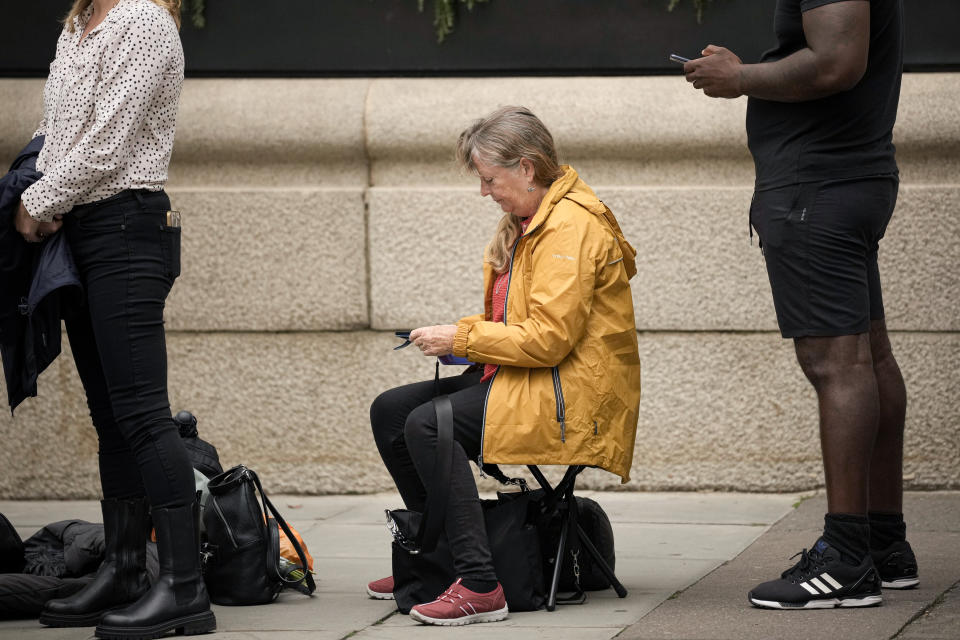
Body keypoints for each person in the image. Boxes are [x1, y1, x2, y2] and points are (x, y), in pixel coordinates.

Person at [682, 0, 916, 610]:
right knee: (870, 359)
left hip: (817, 187)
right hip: (845, 179)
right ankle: (884, 544)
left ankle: (845, 560)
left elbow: (836, 61)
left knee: (837, 365)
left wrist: (740, 79)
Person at [367, 106, 642, 625]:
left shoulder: (569, 229)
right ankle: (435, 560)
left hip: (572, 398)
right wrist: (454, 342)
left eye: (490, 179)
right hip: (534, 379)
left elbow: (549, 340)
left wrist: (465, 338)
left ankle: (479, 583)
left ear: (528, 168)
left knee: (430, 424)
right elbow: (521, 323)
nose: (484, 191)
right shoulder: (532, 221)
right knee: (391, 411)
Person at [16, 0, 216, 637]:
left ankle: (185, 588)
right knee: (110, 415)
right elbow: (62, 132)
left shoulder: (141, 19)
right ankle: (127, 567)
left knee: (141, 412)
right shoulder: (80, 24)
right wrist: (48, 201)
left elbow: (108, 143)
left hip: (128, 229)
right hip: (82, 230)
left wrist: (35, 203)